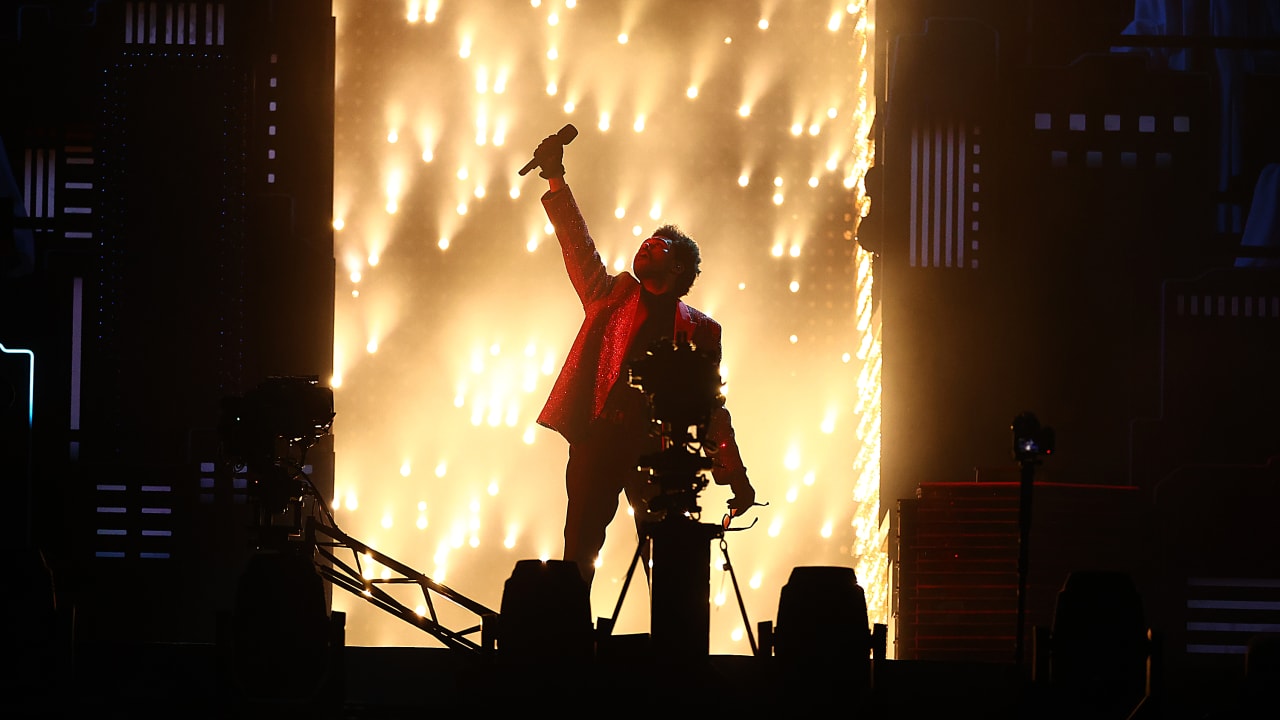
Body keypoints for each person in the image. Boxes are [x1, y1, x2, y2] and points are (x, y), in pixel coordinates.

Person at [528, 131, 757, 586]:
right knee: (579, 548)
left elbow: (711, 411)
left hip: (658, 455)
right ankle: (568, 646)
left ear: (678, 270)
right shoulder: (611, 295)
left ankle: (668, 653)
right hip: (599, 439)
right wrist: (555, 177)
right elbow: (578, 249)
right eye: (645, 242)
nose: (645, 246)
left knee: (666, 559)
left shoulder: (702, 330)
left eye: (658, 246)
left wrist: (735, 477)